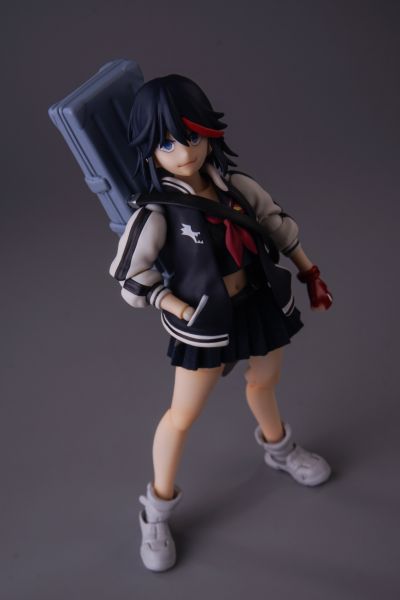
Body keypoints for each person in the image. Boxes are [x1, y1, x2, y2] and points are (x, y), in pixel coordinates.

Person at [109, 74, 333, 572]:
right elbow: (130, 278)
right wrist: (174, 305)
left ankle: (279, 448)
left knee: (263, 382)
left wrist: (310, 273)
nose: (184, 151)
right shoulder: (156, 213)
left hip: (256, 305)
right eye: (167, 143)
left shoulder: (237, 188)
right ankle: (156, 509)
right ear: (149, 150)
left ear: (209, 131)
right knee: (182, 415)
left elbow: (277, 226)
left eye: (191, 136)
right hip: (205, 322)